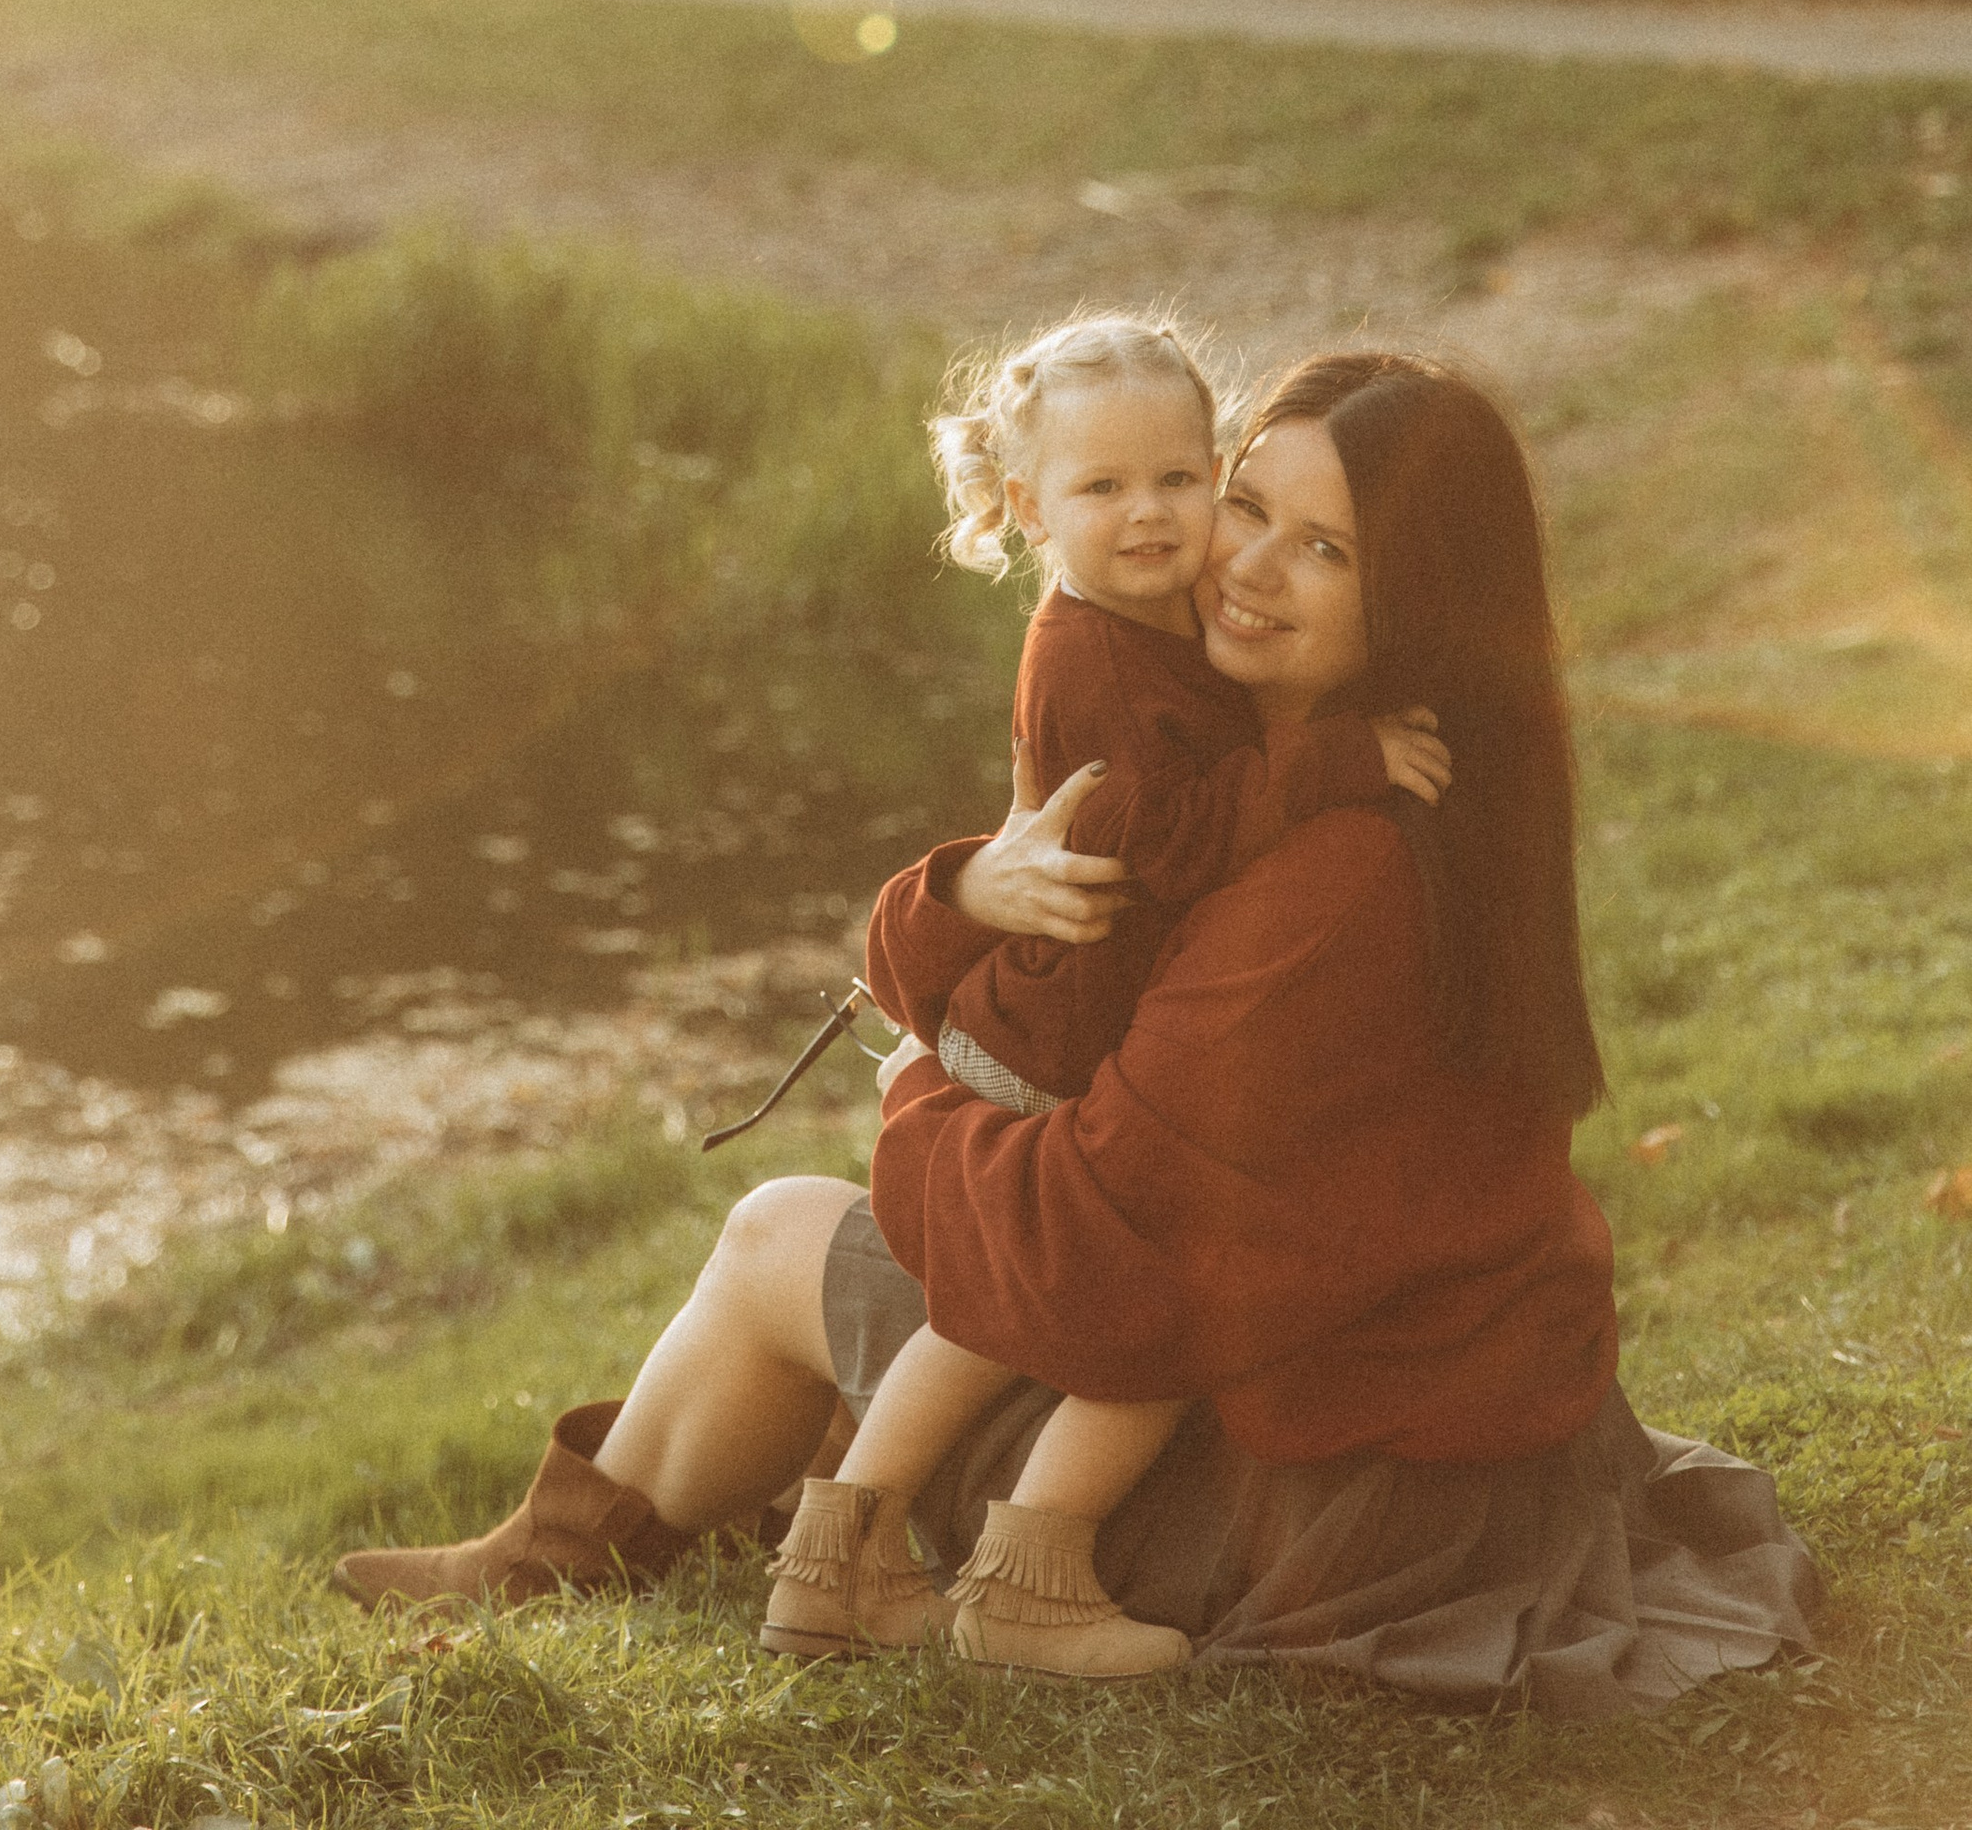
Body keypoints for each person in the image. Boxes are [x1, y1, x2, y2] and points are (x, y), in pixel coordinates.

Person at [338, 352, 1820, 1719]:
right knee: (808, 1240)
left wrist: (918, 1095)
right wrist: (970, 893)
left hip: (1303, 1496)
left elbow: (1099, 1235)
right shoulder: (1332, 772)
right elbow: (1050, 929)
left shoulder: (1335, 872)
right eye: (1247, 503)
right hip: (1379, 1410)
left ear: (1417, 595)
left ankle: (584, 1563)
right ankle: (567, 1553)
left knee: (779, 1236)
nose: (1240, 562)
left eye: (1327, 548)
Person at [760, 311, 1453, 1671]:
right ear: (1025, 508)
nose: (1151, 516)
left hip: (1028, 1033)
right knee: (1157, 1317)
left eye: (1181, 481)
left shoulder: (1139, 626)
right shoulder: (1096, 658)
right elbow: (1178, 836)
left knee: (978, 1316)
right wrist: (1341, 761)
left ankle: (829, 1566)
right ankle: (1029, 1584)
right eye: (1100, 489)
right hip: (1047, 1056)